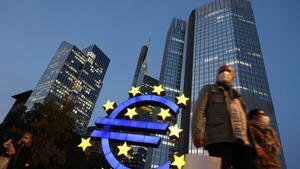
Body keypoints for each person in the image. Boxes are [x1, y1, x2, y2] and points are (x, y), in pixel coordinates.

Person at [192, 64, 258, 169]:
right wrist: (197, 134)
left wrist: (253, 145)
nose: (224, 73)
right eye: (221, 71)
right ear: (217, 75)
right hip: (219, 140)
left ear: (233, 76)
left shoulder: (238, 97)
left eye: (228, 71)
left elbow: (246, 123)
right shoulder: (209, 89)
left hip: (243, 142)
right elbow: (199, 112)